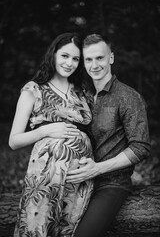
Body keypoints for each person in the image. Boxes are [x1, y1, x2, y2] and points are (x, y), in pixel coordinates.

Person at [9, 33, 94, 237]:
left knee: (68, 230)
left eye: (75, 59)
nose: (70, 63)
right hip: (46, 178)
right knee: (39, 228)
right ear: (53, 54)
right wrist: (44, 130)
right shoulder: (34, 90)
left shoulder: (83, 93)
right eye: (65, 56)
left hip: (79, 178)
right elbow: (13, 141)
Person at [66, 34, 151, 237]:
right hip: (79, 183)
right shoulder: (82, 97)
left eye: (100, 58)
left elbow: (141, 147)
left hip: (111, 184)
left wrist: (97, 169)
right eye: (89, 59)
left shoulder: (128, 97)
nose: (95, 65)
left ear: (111, 58)